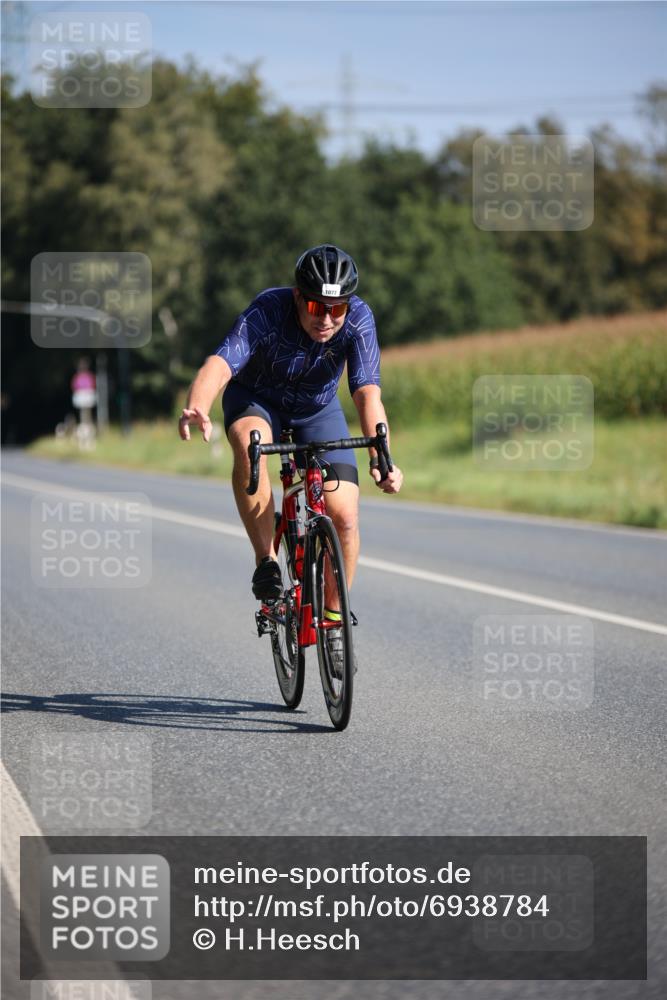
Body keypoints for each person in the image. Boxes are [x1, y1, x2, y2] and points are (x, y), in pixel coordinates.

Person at [179, 244, 403, 664]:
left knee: (346, 517)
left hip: (316, 410)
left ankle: (333, 621)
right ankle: (266, 560)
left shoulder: (358, 319)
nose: (327, 319)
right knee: (252, 443)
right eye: (318, 305)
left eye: (337, 308)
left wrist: (382, 456)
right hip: (257, 400)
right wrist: (199, 403)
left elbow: (367, 393)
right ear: (299, 296)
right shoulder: (268, 311)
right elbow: (221, 364)